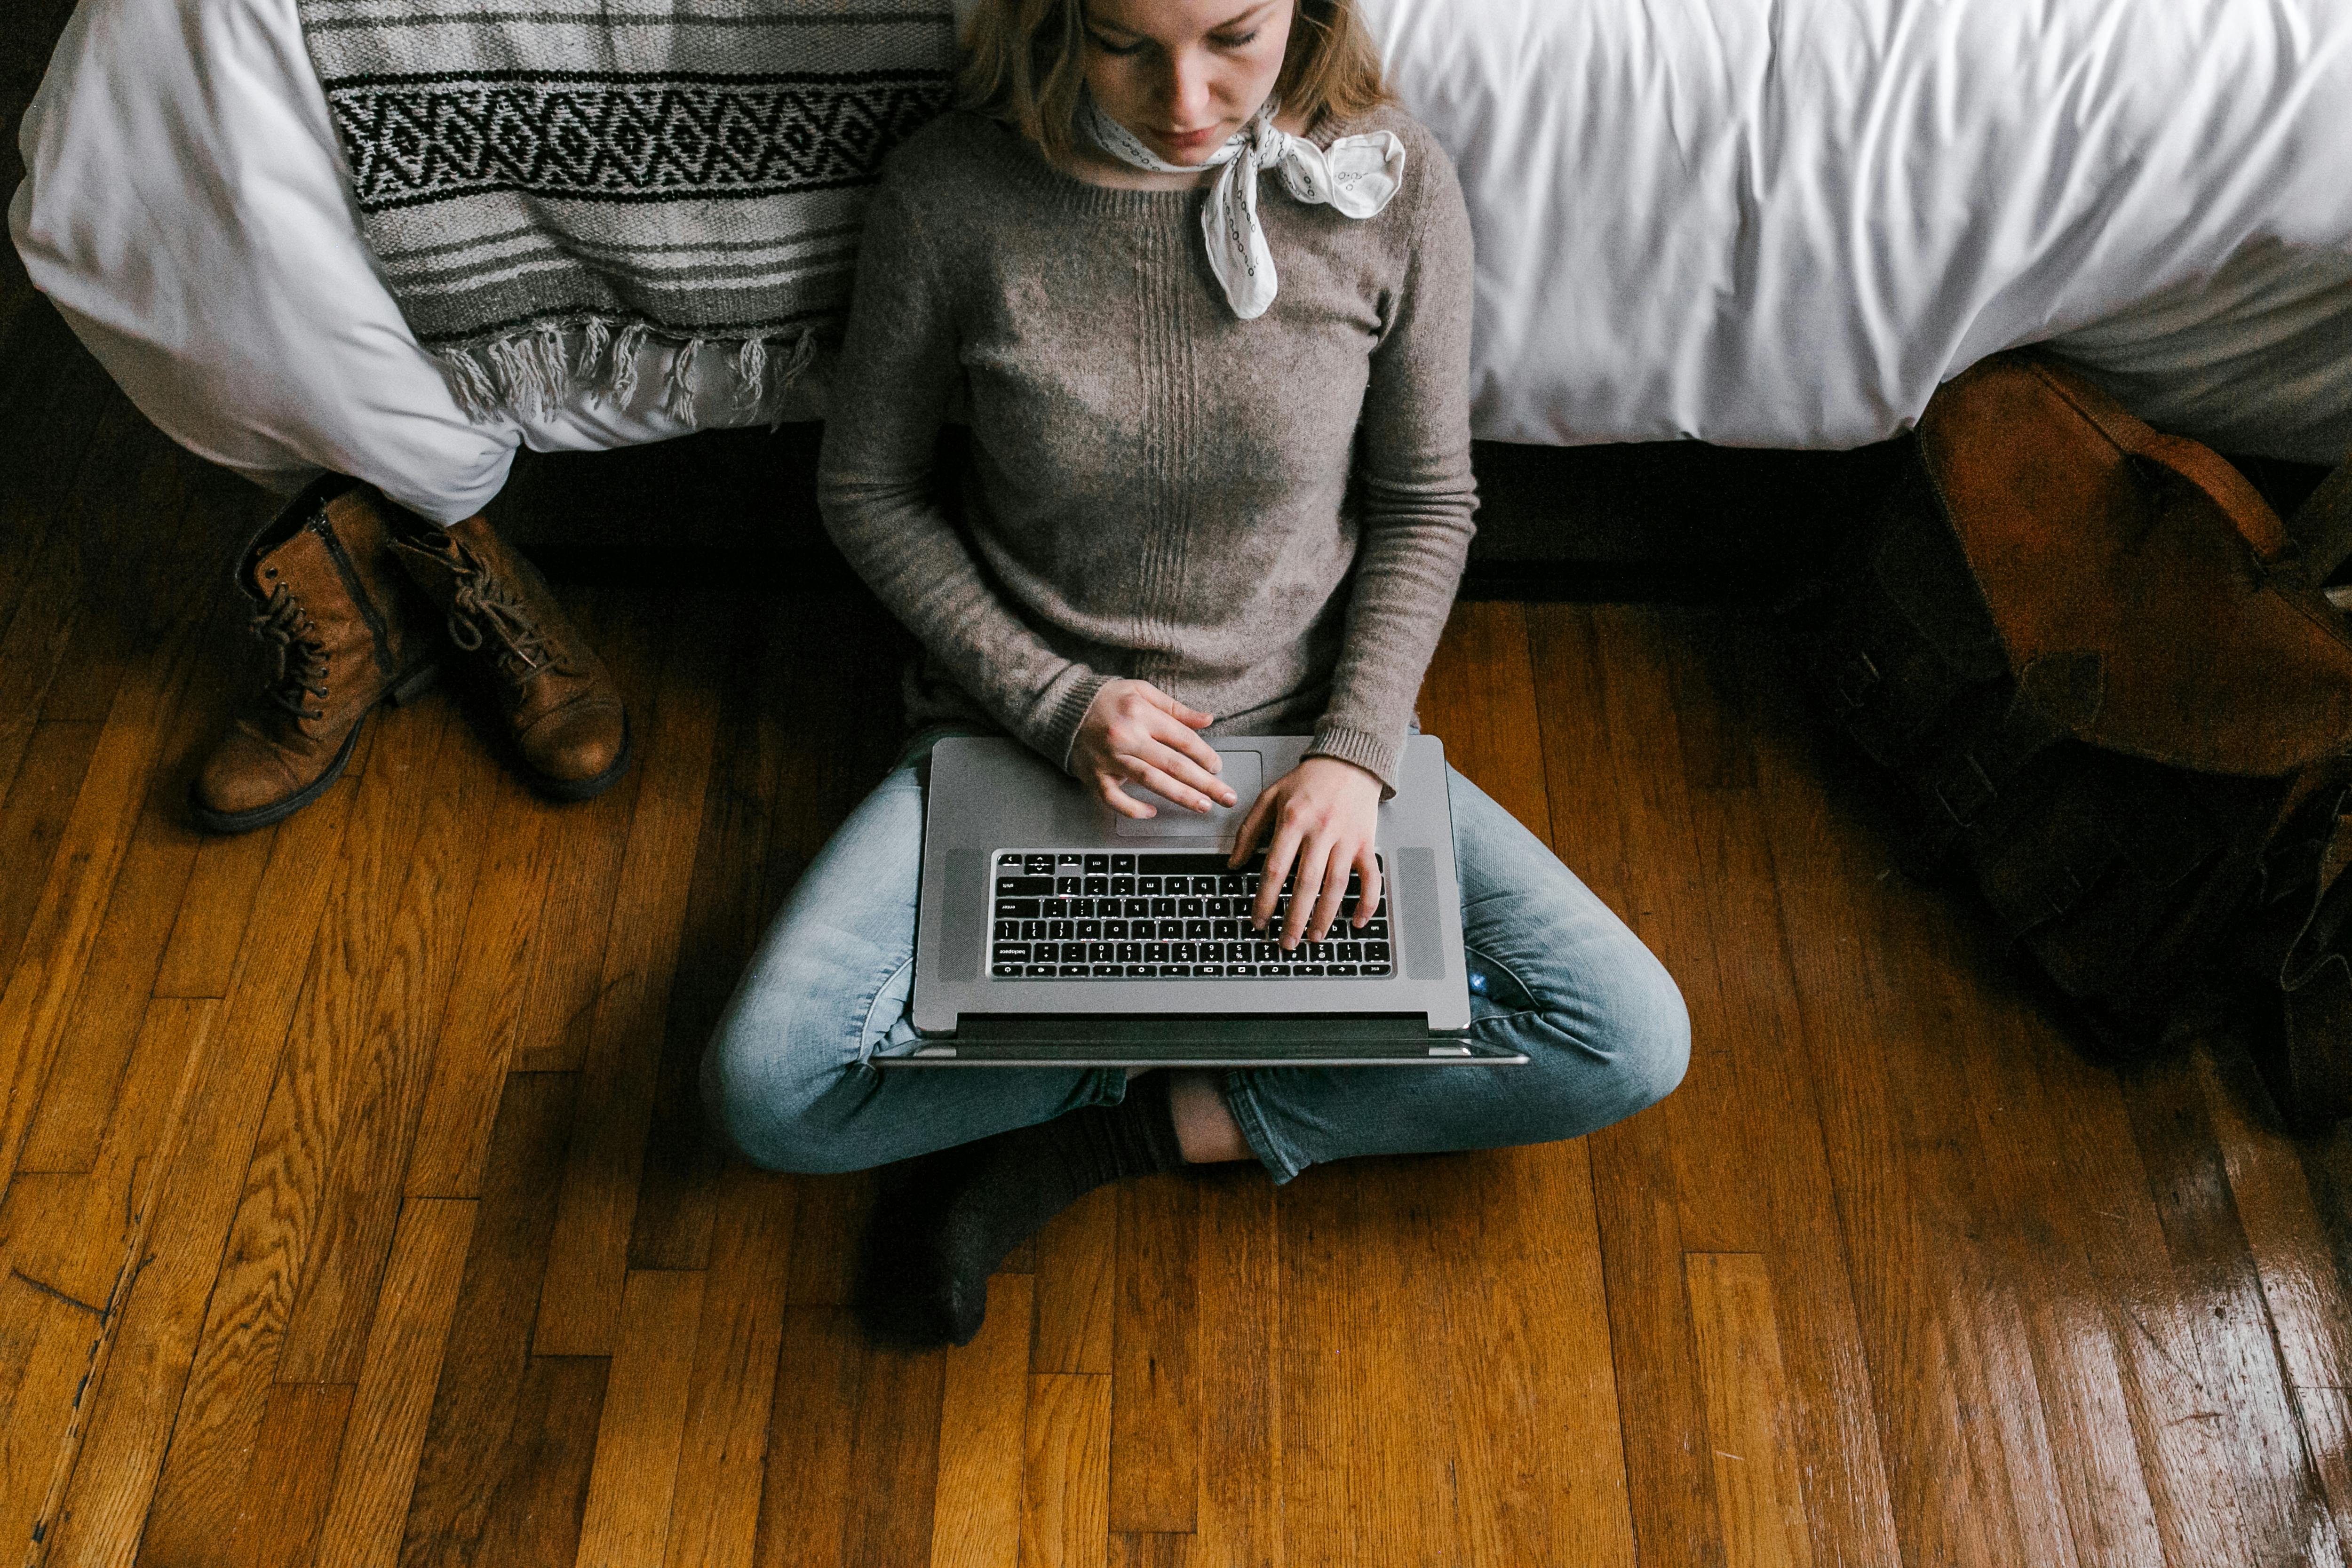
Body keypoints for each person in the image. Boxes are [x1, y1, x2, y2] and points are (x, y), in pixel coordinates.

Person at [700, 0, 1689, 1347]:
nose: (1185, 97)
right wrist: (1056, 702)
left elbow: (1425, 502)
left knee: (1629, 1039)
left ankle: (1101, 1135)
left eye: (1234, 34)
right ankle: (1173, 1046)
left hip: (1299, 734)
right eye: (1124, 41)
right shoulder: (955, 192)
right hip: (1021, 736)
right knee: (766, 1091)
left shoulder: (1389, 180)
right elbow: (868, 491)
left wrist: (1354, 756)